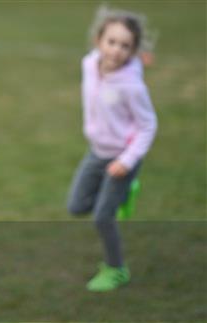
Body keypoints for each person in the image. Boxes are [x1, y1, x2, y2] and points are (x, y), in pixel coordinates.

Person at [67, 7, 157, 292]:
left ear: (133, 51)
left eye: (125, 46)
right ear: (98, 40)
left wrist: (128, 161)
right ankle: (121, 194)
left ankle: (117, 269)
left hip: (122, 158)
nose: (116, 50)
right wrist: (140, 61)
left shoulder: (132, 87)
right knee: (76, 206)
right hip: (96, 151)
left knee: (103, 218)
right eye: (112, 42)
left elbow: (148, 126)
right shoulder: (89, 63)